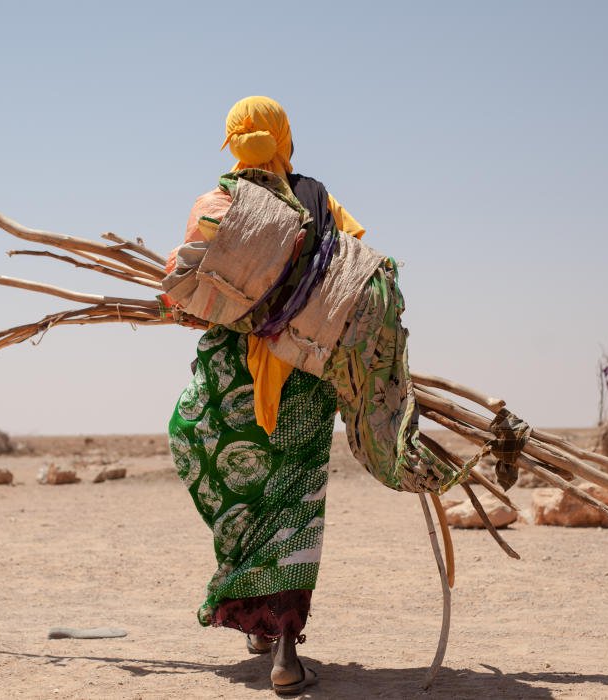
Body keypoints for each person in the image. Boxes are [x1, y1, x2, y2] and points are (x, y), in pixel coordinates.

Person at [166, 96, 364, 695]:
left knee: (214, 464)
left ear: (231, 143)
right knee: (293, 504)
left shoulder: (216, 205)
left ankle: (252, 610)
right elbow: (355, 275)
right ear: (285, 138)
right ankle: (282, 649)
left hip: (233, 381)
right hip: (303, 377)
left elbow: (182, 295)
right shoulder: (320, 204)